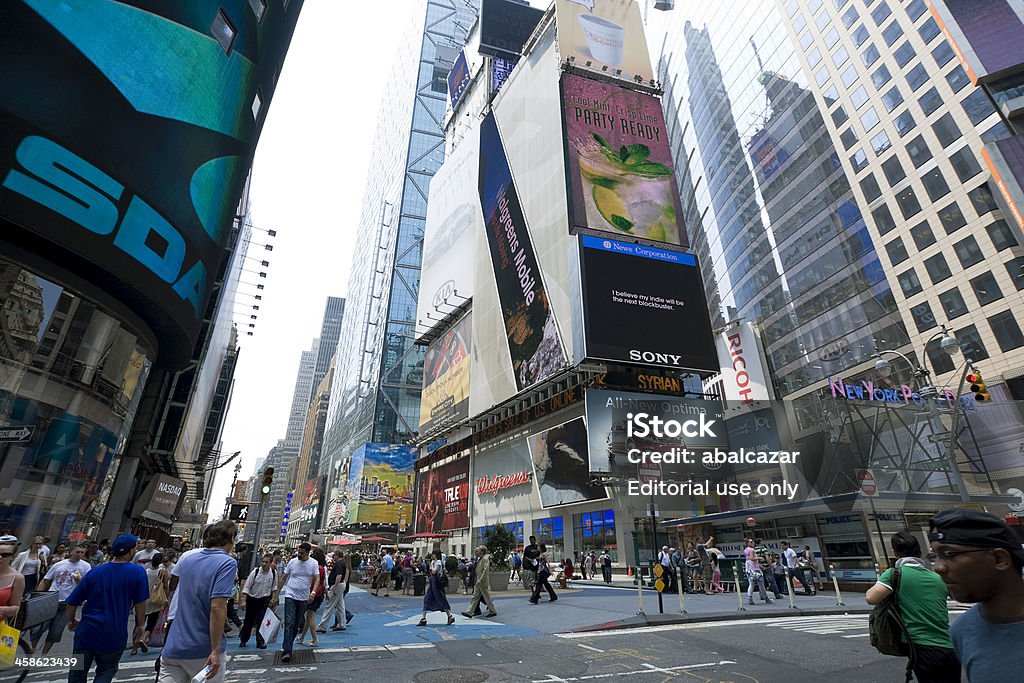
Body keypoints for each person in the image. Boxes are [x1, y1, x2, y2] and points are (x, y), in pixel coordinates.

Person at [928, 509, 1024, 681]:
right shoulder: (962, 630)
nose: (938, 567)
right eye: (934, 556)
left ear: (999, 559)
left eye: (949, 554)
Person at [865, 530, 960, 682]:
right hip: (950, 647)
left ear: (895, 552)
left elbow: (871, 598)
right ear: (920, 552)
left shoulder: (894, 574)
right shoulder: (937, 578)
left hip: (922, 647)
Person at [157, 520, 237, 683]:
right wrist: (215, 650)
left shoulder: (188, 559)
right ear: (230, 538)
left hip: (174, 646)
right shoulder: (227, 562)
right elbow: (217, 607)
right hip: (203, 648)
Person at [64, 534, 148, 683]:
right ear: (129, 551)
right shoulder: (137, 572)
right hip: (113, 634)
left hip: (86, 632)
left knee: (77, 672)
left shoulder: (95, 572)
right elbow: (140, 603)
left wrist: (70, 621)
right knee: (106, 671)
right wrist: (140, 624)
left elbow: (72, 602)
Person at [34, 542, 91, 654]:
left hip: (67, 603)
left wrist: (80, 581)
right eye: (77, 552)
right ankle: (32, 648)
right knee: (38, 628)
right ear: (71, 552)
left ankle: (44, 654)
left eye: (82, 553)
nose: (79, 554)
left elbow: (87, 585)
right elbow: (46, 580)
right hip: (52, 599)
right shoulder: (59, 565)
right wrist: (39, 596)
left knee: (56, 631)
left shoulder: (86, 566)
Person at [274, 542, 319, 662]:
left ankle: (289, 644)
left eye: (302, 553)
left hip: (303, 597)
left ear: (308, 553)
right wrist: (277, 594)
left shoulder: (313, 563)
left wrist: (313, 592)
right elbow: (284, 577)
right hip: (290, 595)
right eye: (298, 552)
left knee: (296, 623)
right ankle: (287, 650)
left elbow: (317, 578)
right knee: (289, 622)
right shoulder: (292, 562)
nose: (299, 555)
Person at [238, 553, 277, 648]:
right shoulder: (255, 572)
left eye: (266, 562)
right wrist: (243, 601)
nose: (264, 564)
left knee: (262, 621)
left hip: (264, 600)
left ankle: (260, 642)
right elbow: (246, 587)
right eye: (263, 562)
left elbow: (274, 587)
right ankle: (244, 639)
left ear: (271, 563)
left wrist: (274, 598)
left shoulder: (273, 573)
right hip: (252, 599)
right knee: (249, 621)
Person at [135, 553, 169, 655]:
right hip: (156, 600)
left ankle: (134, 647)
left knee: (139, 623)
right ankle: (144, 637)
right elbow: (165, 587)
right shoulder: (162, 571)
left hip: (144, 598)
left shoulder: (145, 571)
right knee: (151, 623)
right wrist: (166, 599)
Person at [418, 550, 454, 626]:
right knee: (427, 598)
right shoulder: (435, 562)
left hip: (437, 584)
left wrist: (431, 565)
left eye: (433, 554)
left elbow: (434, 572)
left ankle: (450, 616)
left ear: (436, 555)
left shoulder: (438, 562)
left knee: (441, 599)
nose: (432, 555)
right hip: (433, 583)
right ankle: (423, 618)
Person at [299, 547, 327, 646]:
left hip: (313, 594)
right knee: (309, 617)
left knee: (310, 617)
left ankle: (315, 639)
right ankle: (302, 637)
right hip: (319, 594)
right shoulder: (322, 568)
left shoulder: (316, 568)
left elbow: (314, 582)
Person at [461, 546, 497, 618]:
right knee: (475, 597)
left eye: (478, 550)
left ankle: (493, 611)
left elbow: (485, 571)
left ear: (482, 551)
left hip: (482, 581)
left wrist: (480, 579)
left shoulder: (485, 559)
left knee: (486, 597)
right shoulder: (480, 559)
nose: (476, 551)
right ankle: (470, 612)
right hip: (478, 581)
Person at [318, 550, 350, 631]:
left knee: (329, 605)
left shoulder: (339, 564)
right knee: (340, 606)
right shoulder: (343, 563)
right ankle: (342, 624)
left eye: (334, 555)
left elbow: (339, 576)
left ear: (337, 555)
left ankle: (323, 626)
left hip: (337, 585)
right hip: (341, 585)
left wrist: (334, 587)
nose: (333, 557)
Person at [0, 536, 26, 625]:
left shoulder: (17, 578)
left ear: (12, 557)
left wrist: (4, 610)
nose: (0, 557)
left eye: (5, 555)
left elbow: (15, 608)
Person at [744, 538, 772, 605]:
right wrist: (759, 558)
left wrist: (760, 565)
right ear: (748, 543)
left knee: (751, 584)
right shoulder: (752, 550)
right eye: (751, 542)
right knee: (761, 584)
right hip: (755, 569)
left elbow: (749, 559)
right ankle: (766, 598)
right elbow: (752, 558)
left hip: (749, 568)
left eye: (752, 541)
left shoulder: (746, 550)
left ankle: (749, 598)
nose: (752, 542)